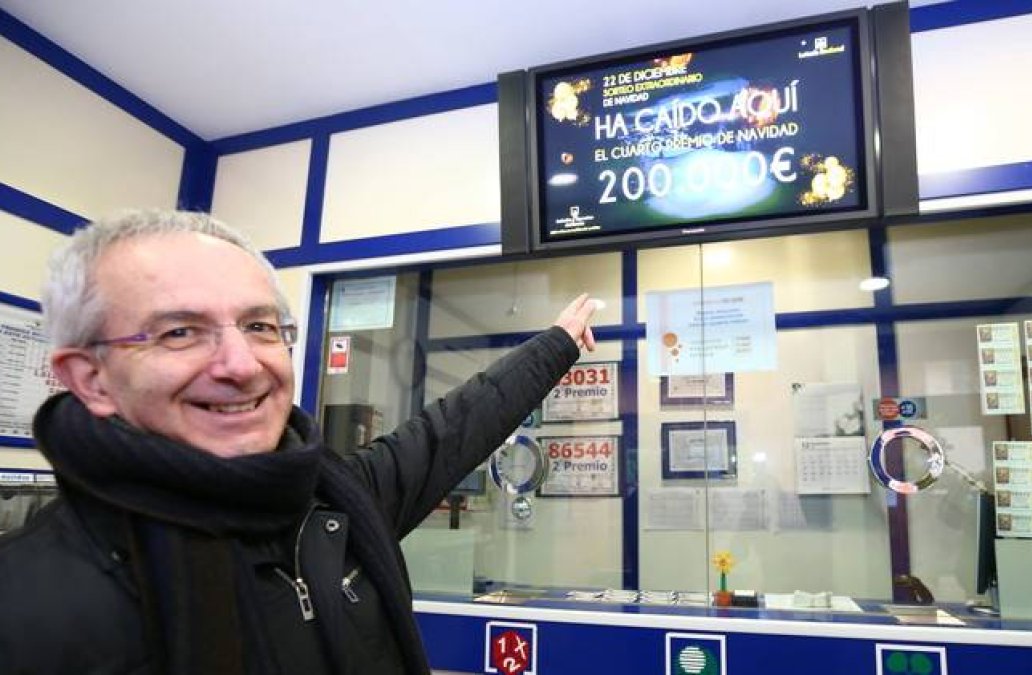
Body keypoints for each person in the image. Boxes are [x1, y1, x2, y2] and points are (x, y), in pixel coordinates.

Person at [0, 209, 597, 675]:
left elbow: (451, 429)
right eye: (180, 331)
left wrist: (557, 343)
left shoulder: (338, 503)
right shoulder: (31, 611)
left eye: (259, 325)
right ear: (90, 378)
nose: (241, 364)